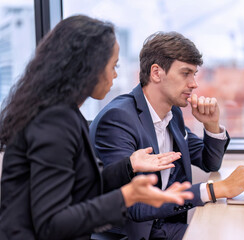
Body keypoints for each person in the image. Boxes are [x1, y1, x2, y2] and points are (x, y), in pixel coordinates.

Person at [0, 16, 194, 240]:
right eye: (113, 66)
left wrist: (129, 166)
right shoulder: (53, 123)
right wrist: (125, 197)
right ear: (88, 68)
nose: (115, 74)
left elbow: (82, 186)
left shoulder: (66, 114)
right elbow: (51, 224)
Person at [89, 31, 244, 239]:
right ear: (156, 73)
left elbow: (209, 162)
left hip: (163, 228)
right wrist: (215, 189)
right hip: (134, 234)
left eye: (194, 74)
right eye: (185, 73)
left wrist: (211, 125)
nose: (194, 84)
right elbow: (134, 205)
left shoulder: (173, 114)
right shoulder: (118, 119)